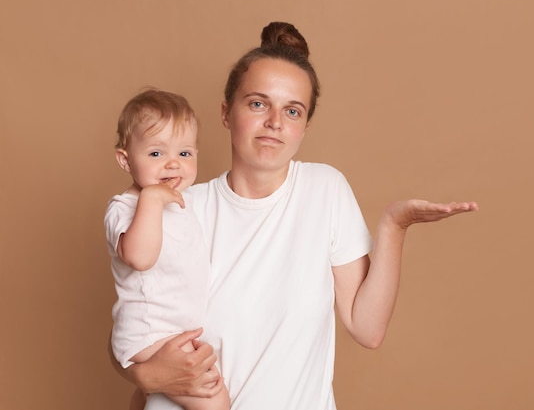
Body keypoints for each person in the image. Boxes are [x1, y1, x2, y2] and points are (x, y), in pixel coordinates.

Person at [112, 22, 478, 410]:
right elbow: (133, 320)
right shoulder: (177, 205)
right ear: (225, 112)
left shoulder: (324, 190)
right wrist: (145, 375)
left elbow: (367, 329)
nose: (274, 122)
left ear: (304, 126)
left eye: (292, 110)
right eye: (257, 103)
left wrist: (394, 226)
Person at [104, 89, 230, 410]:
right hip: (150, 333)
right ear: (125, 159)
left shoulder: (186, 205)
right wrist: (152, 199)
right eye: (156, 154)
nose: (173, 163)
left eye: (185, 154)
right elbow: (140, 257)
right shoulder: (124, 207)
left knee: (155, 398)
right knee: (215, 401)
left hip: (172, 330)